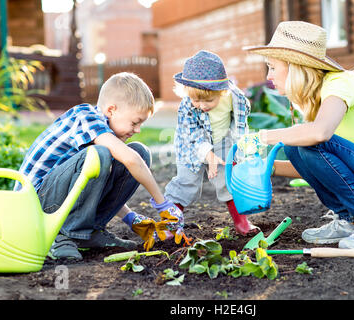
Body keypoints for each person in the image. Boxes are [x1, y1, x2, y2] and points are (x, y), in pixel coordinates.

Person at [239, 21, 354, 251]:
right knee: (293, 145)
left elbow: (320, 134)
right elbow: (323, 165)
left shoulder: (339, 84)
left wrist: (260, 137)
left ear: (296, 66)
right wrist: (268, 166)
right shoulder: (319, 96)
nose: (269, 75)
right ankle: (349, 221)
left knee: (309, 139)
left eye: (272, 67)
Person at [15, 72, 187, 259]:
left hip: (59, 198)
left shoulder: (100, 133)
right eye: (135, 122)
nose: (137, 130)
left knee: (139, 152)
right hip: (35, 205)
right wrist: (163, 205)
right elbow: (130, 160)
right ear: (111, 110)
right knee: (105, 155)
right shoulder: (85, 116)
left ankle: (89, 232)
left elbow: (92, 183)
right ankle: (62, 236)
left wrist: (131, 218)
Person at [164, 50, 260, 236]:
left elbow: (240, 127)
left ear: (222, 91)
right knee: (187, 182)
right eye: (195, 99)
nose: (202, 105)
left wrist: (241, 153)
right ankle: (170, 223)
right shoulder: (186, 106)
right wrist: (207, 154)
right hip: (191, 144)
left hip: (222, 140)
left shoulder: (236, 99)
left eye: (208, 100)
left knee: (228, 180)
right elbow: (192, 134)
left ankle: (242, 222)